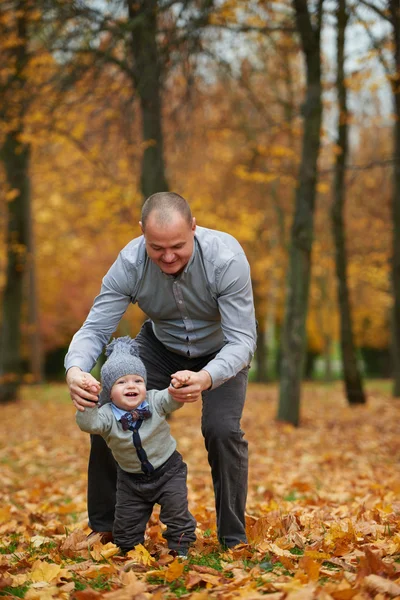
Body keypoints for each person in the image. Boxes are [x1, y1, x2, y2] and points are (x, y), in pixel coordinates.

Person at [65, 191, 257, 549]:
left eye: (178, 246)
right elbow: (95, 329)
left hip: (220, 351)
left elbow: (242, 341)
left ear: (194, 228)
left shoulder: (226, 259)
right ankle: (106, 527)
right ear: (142, 234)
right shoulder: (129, 263)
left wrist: (206, 377)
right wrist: (75, 369)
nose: (168, 256)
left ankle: (233, 536)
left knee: (222, 430)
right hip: (159, 347)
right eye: (157, 248)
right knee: (108, 409)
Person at [76, 335, 196, 556]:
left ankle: (180, 547)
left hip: (168, 471)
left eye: (137, 381)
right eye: (121, 382)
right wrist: (89, 402)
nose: (131, 386)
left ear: (145, 384)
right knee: (126, 525)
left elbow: (173, 400)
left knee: (176, 512)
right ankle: (130, 549)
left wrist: (178, 385)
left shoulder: (154, 400)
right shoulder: (106, 415)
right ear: (109, 391)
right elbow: (88, 424)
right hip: (131, 480)